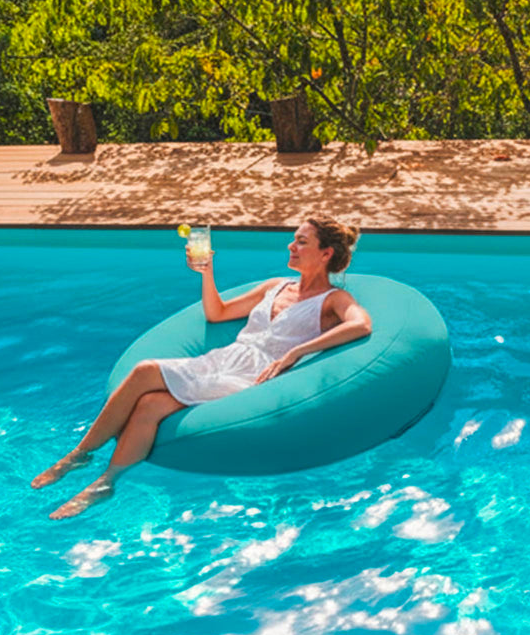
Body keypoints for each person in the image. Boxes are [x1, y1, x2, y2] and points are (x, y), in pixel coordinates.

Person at [32, 216, 372, 519]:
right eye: (294, 238)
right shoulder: (275, 286)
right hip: (225, 360)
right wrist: (207, 274)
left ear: (326, 253)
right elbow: (218, 313)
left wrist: (297, 351)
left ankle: (78, 455)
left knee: (144, 371)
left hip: (254, 376)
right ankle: (107, 482)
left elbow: (361, 325)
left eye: (301, 241)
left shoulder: (332, 300)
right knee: (150, 405)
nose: (291, 245)